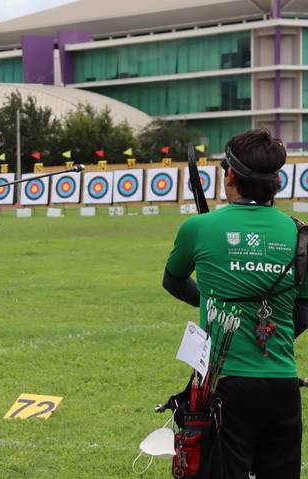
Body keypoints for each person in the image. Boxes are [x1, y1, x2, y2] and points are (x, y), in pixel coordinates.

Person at [163, 129, 307, 478]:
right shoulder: (301, 234)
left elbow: (172, 280)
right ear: (277, 182)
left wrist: (216, 304)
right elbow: (303, 311)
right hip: (282, 385)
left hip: (225, 385)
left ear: (229, 174)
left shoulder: (198, 227)